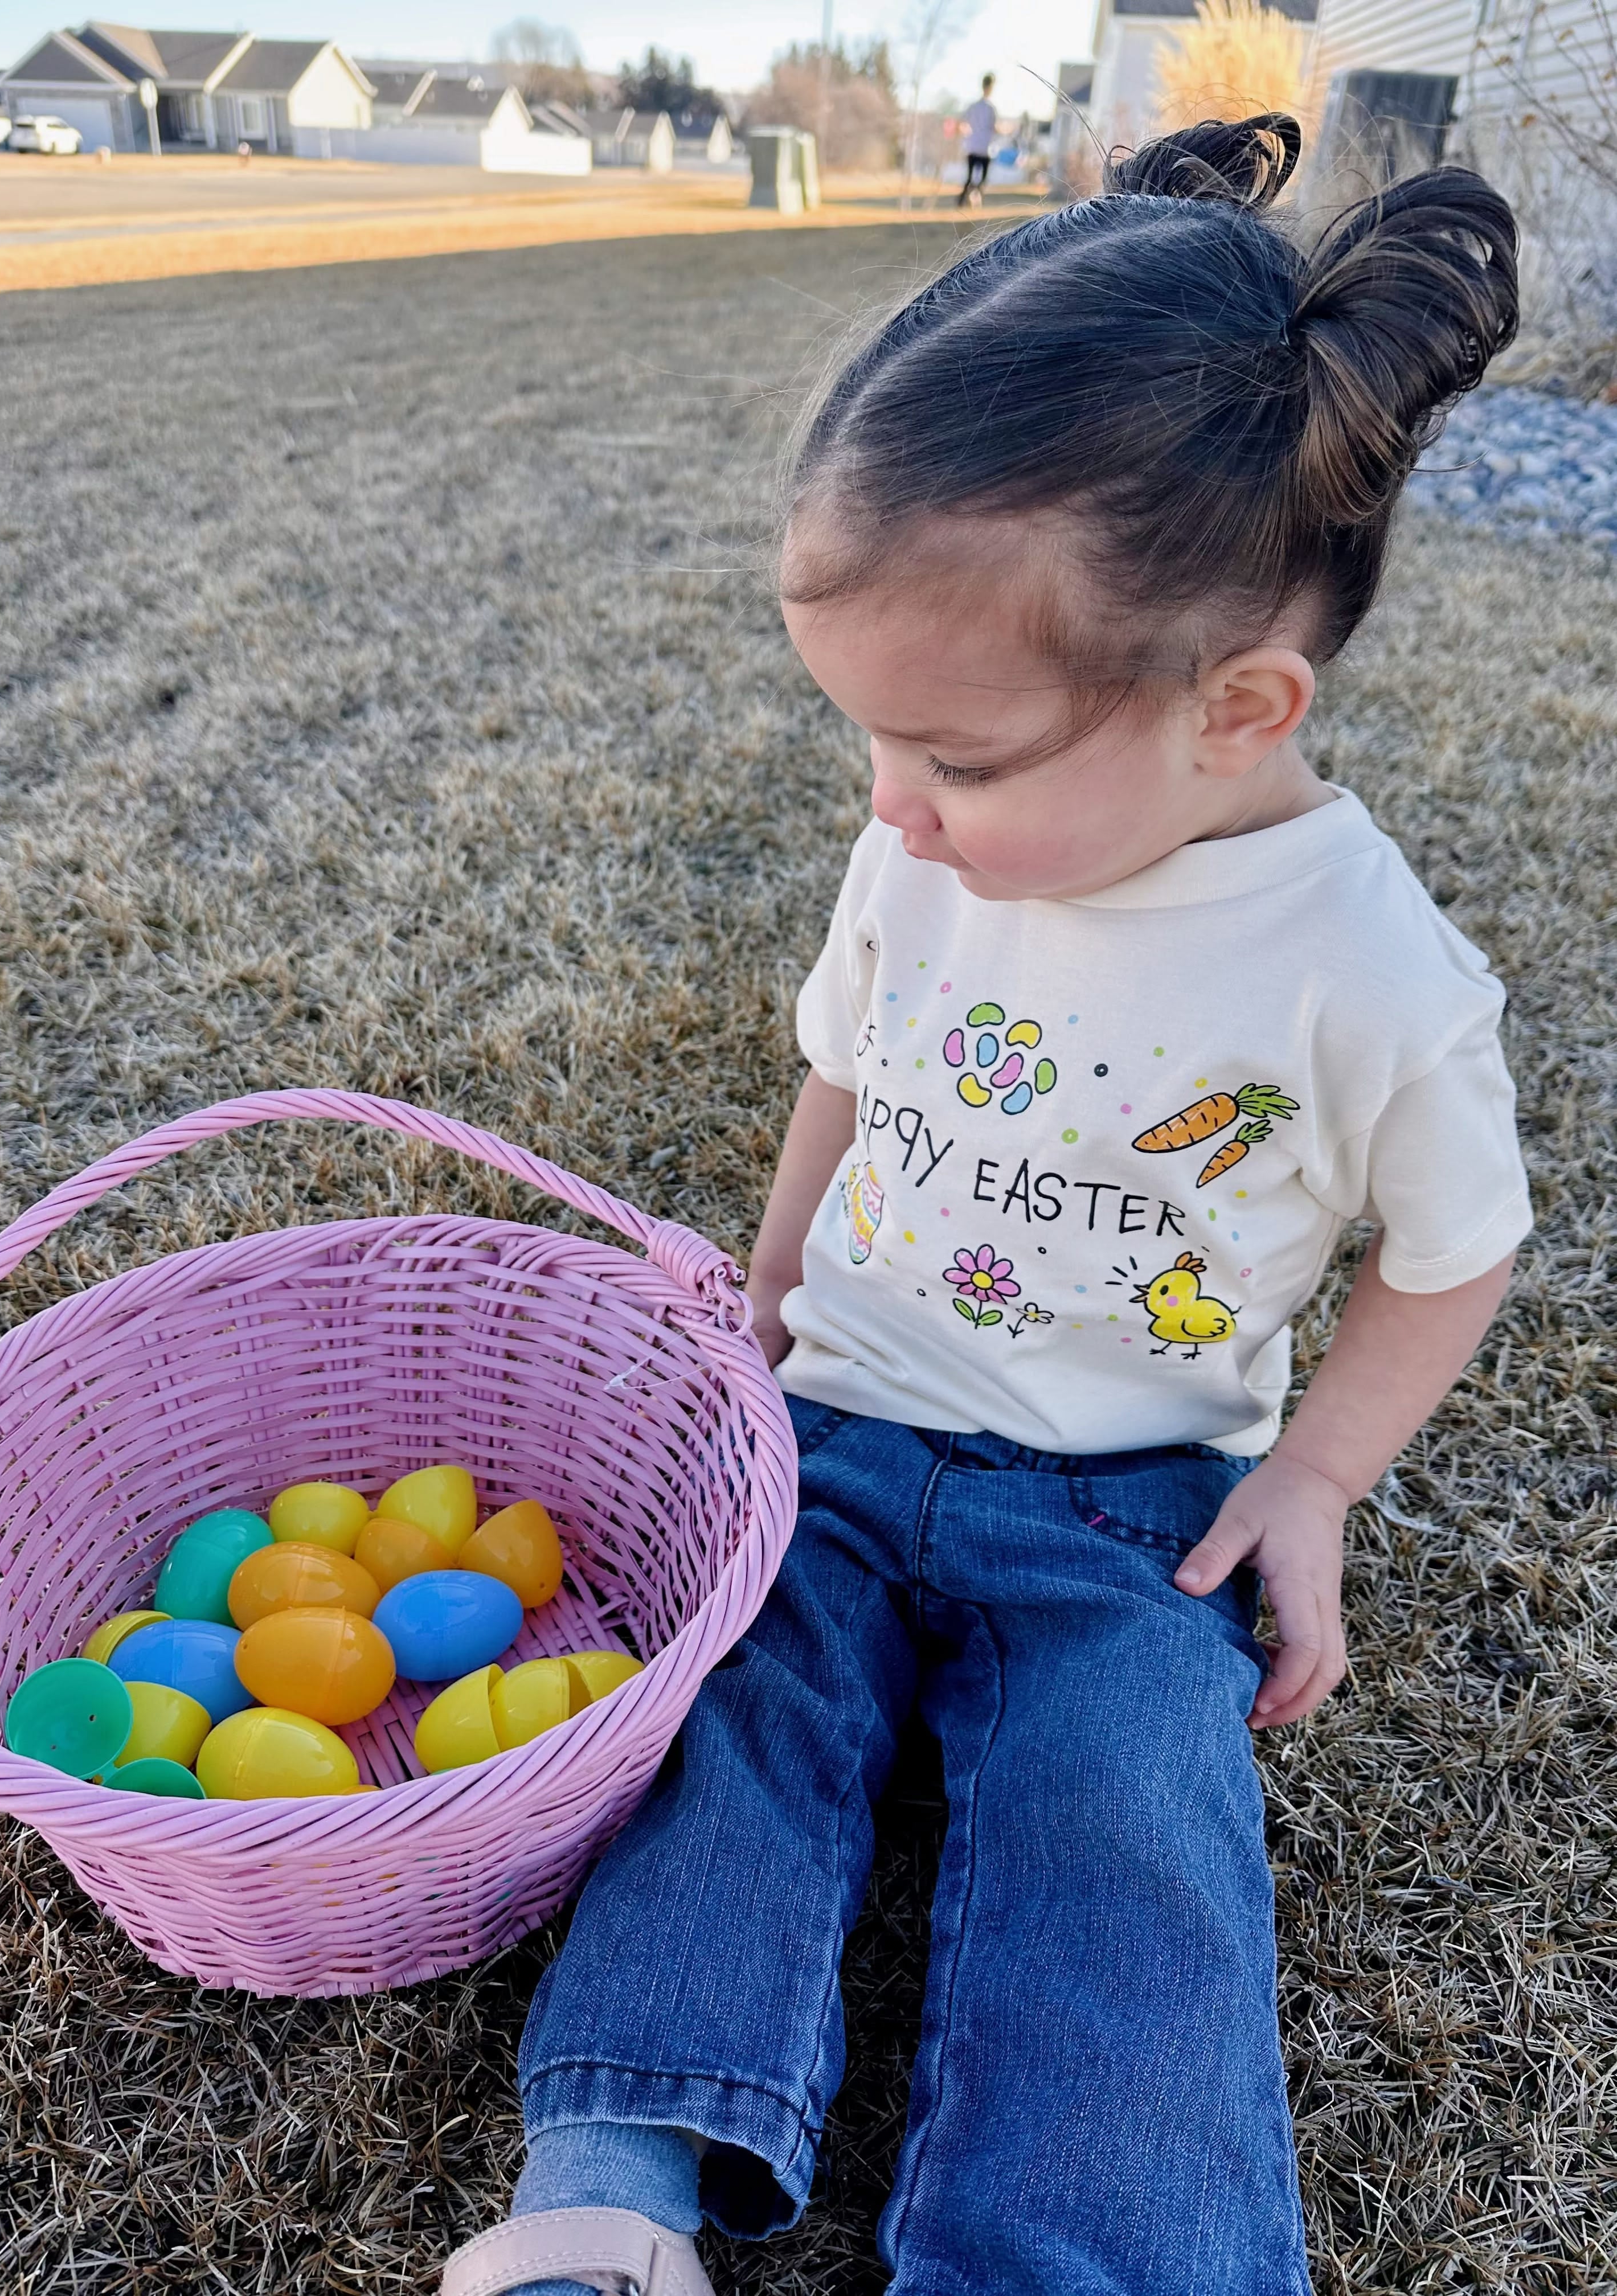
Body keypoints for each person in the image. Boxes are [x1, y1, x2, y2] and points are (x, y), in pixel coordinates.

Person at [441, 115, 1529, 2296]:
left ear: (1236, 709)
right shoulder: (916, 858)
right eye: (868, 744)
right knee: (715, 1738)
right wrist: (757, 1311)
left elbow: (1454, 1247)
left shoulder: (1368, 970)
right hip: (839, 1442)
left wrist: (1314, 1479)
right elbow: (847, 1076)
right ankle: (610, 2189)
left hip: (1133, 1508)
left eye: (955, 758)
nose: (890, 809)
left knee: (1133, 1850)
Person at [959, 72, 996, 206]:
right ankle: (972, 199)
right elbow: (994, 127)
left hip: (973, 146)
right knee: (981, 180)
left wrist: (966, 134)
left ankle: (963, 201)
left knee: (970, 178)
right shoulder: (991, 108)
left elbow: (962, 122)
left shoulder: (974, 106)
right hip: (984, 148)